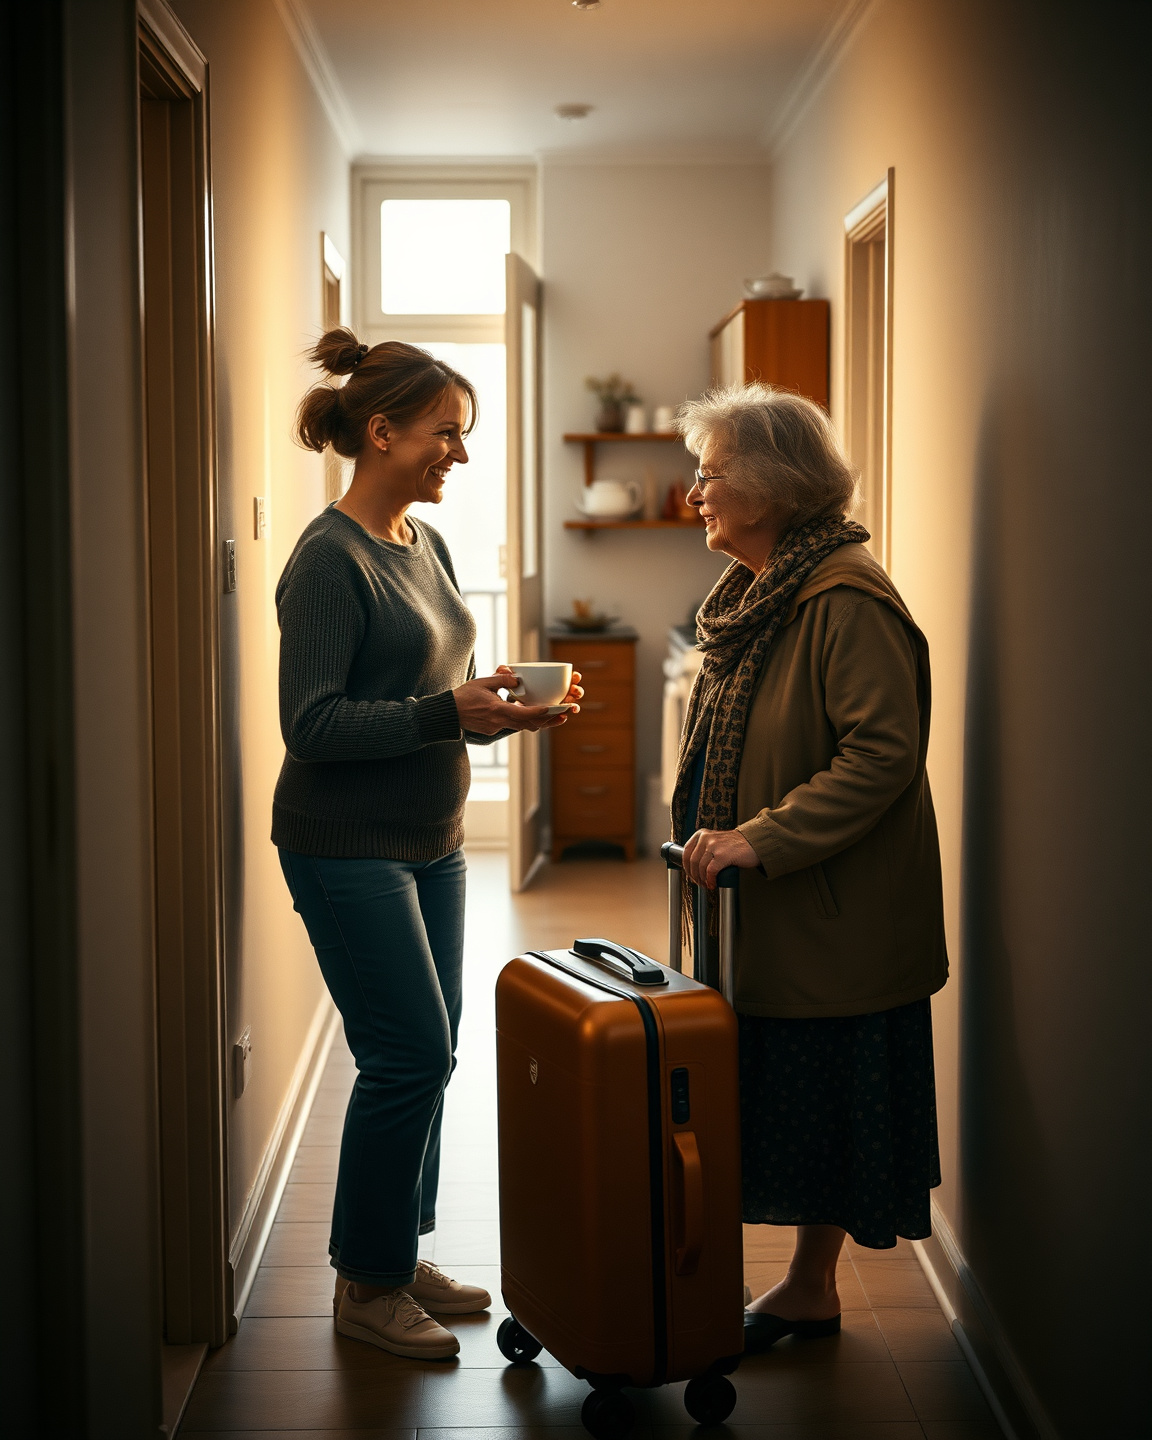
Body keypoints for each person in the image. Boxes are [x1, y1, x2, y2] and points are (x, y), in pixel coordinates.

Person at [275, 329, 581, 1361]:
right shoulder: (327, 561)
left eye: (464, 435)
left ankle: (394, 1253)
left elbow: (428, 683)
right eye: (446, 433)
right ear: (382, 429)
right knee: (407, 1054)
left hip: (430, 837)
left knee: (432, 1052)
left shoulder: (424, 543)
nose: (458, 451)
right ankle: (365, 1285)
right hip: (344, 842)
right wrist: (449, 714)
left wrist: (498, 701)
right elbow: (310, 727)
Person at [673, 383, 948, 1354]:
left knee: (823, 1102)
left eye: (711, 474)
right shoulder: (761, 595)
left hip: (832, 914)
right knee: (781, 1097)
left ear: (771, 486)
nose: (695, 492)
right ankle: (801, 1289)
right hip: (773, 915)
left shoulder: (845, 597)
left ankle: (807, 1286)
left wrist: (762, 838)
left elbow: (882, 756)